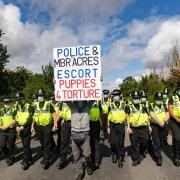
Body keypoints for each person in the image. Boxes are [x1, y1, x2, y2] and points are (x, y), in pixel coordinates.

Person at [66, 101, 94, 180]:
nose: (79, 101)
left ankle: (88, 165)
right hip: (74, 135)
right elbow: (65, 99)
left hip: (85, 135)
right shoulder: (72, 106)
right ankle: (79, 172)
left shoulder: (88, 106)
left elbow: (93, 99)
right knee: (76, 156)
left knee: (87, 154)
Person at [31, 89, 55, 169]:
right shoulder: (35, 105)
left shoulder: (48, 104)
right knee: (42, 142)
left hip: (47, 126)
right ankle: (46, 156)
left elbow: (54, 114)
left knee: (46, 143)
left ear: (44, 97)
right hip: (38, 127)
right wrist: (32, 126)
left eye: (41, 96)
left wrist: (54, 125)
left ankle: (46, 160)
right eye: (39, 96)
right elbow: (34, 116)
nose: (40, 97)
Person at [126, 91, 152, 166]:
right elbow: (127, 117)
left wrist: (149, 126)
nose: (136, 99)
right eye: (134, 98)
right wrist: (128, 127)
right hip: (133, 128)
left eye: (137, 98)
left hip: (143, 128)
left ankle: (141, 152)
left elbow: (147, 117)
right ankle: (136, 158)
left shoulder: (144, 106)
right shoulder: (129, 106)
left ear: (139, 98)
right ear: (132, 98)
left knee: (145, 141)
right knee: (134, 144)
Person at [149, 92, 169, 166]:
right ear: (155, 99)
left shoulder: (163, 105)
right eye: (157, 99)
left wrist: (164, 121)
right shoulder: (151, 105)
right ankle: (158, 157)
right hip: (155, 125)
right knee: (156, 141)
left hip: (163, 125)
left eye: (160, 99)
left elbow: (167, 114)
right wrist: (159, 121)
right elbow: (152, 114)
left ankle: (157, 151)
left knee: (161, 141)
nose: (159, 100)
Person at [108, 89, 126, 168]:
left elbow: (128, 115)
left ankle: (120, 158)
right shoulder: (111, 105)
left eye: (117, 95)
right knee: (112, 142)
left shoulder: (124, 104)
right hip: (112, 125)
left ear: (120, 96)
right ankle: (114, 153)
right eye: (114, 96)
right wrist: (108, 127)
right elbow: (109, 117)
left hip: (121, 125)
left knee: (120, 142)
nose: (116, 97)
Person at [15, 92, 34, 170]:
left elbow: (30, 118)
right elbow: (15, 117)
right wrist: (17, 126)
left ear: (23, 99)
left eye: (20, 99)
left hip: (26, 127)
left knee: (26, 144)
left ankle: (25, 161)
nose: (19, 101)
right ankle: (30, 159)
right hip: (20, 128)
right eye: (18, 99)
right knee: (24, 144)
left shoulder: (29, 106)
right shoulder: (17, 106)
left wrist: (23, 125)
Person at [0, 97, 16, 166]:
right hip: (3, 131)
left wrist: (7, 126)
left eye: (8, 102)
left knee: (11, 145)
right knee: (2, 145)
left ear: (10, 103)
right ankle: (8, 156)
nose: (6, 104)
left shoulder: (13, 110)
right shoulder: (1, 111)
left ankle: (11, 158)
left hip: (11, 130)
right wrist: (1, 127)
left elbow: (15, 120)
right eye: (5, 103)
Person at [55, 101, 72, 169]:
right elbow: (59, 111)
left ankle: (80, 160)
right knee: (64, 142)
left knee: (77, 141)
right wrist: (55, 122)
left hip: (75, 122)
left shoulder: (76, 97)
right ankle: (62, 160)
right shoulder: (62, 101)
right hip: (65, 123)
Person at [168, 82, 180, 166]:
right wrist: (177, 119)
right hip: (175, 121)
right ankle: (176, 157)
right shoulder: (172, 98)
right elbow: (170, 110)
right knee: (177, 138)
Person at [89, 100, 101, 169]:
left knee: (96, 143)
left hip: (96, 124)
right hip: (87, 124)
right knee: (89, 143)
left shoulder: (98, 101)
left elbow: (101, 112)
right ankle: (90, 161)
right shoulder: (85, 101)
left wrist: (102, 123)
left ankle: (96, 162)